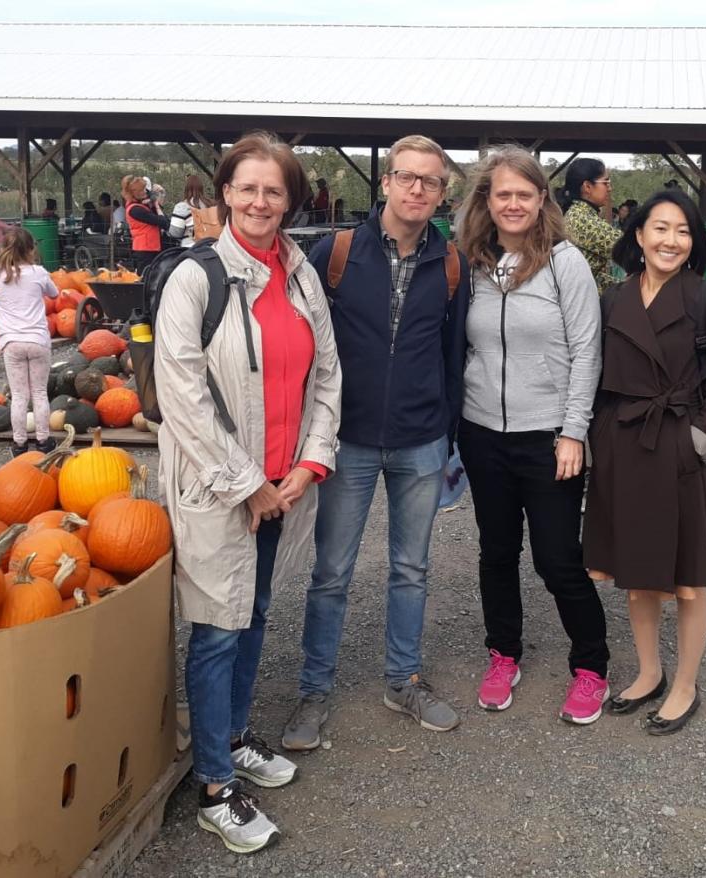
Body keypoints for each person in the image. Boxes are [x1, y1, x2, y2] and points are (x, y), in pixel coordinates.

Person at [154, 132, 341, 854]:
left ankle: (232, 738)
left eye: (275, 190)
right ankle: (213, 787)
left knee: (255, 612)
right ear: (225, 193)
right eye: (249, 188)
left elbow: (327, 375)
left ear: (291, 200)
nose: (261, 201)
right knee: (215, 631)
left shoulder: (299, 274)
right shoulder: (194, 280)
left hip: (284, 485)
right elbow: (183, 396)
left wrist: (309, 464)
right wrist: (248, 484)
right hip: (219, 487)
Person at [281, 135, 469, 752]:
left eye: (431, 181)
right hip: (347, 438)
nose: (418, 189)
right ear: (385, 182)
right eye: (407, 177)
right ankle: (314, 689)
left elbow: (452, 355)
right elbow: (302, 346)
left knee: (411, 569)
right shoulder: (334, 253)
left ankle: (402, 679)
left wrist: (448, 436)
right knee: (332, 571)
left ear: (443, 193)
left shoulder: (451, 263)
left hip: (421, 439)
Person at [585, 188, 706, 736]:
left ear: (693, 242)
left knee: (688, 580)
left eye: (683, 231)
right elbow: (594, 378)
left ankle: (685, 682)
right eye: (660, 228)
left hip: (683, 452)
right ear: (638, 236)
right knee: (637, 577)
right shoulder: (612, 299)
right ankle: (648, 672)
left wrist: (695, 445)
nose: (671, 240)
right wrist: (597, 442)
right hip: (625, 447)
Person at [454, 146, 608, 724]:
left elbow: (586, 351)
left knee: (557, 558)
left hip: (548, 436)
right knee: (496, 552)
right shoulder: (472, 261)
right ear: (487, 201)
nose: (513, 204)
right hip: (482, 433)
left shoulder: (564, 262)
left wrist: (574, 432)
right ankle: (504, 653)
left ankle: (591, 664)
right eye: (502, 194)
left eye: (524, 193)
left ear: (542, 199)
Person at [0, 228, 61, 457]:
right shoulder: (38, 273)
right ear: (31, 250)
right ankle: (44, 441)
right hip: (38, 341)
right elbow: (54, 294)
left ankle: (19, 445)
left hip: (11, 342)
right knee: (40, 393)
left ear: (4, 249)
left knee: (19, 395)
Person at [558, 158, 622, 292]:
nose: (610, 188)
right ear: (587, 187)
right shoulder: (582, 220)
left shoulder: (579, 214)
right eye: (606, 182)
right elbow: (628, 247)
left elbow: (596, 276)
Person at [122, 175, 169, 271]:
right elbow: (163, 222)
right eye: (142, 190)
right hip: (145, 248)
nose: (145, 192)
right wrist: (156, 205)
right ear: (135, 193)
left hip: (149, 247)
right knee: (146, 276)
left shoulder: (139, 206)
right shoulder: (136, 210)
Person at [169, 174, 214, 248]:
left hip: (190, 248)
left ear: (186, 188)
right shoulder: (211, 205)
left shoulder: (182, 207)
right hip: (211, 248)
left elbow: (175, 233)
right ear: (201, 188)